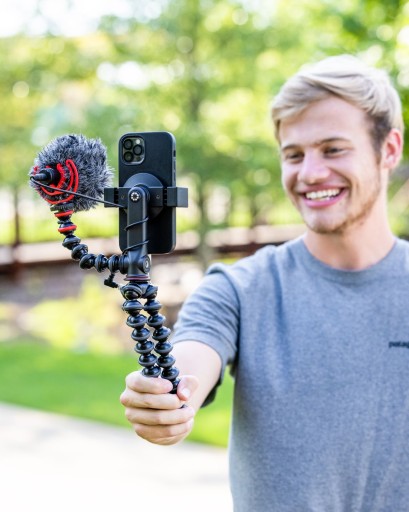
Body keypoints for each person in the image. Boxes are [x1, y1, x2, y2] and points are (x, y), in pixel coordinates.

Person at [119, 54, 409, 511]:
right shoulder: (238, 289)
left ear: (388, 149)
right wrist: (167, 399)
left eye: (333, 149)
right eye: (294, 154)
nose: (309, 173)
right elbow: (191, 361)